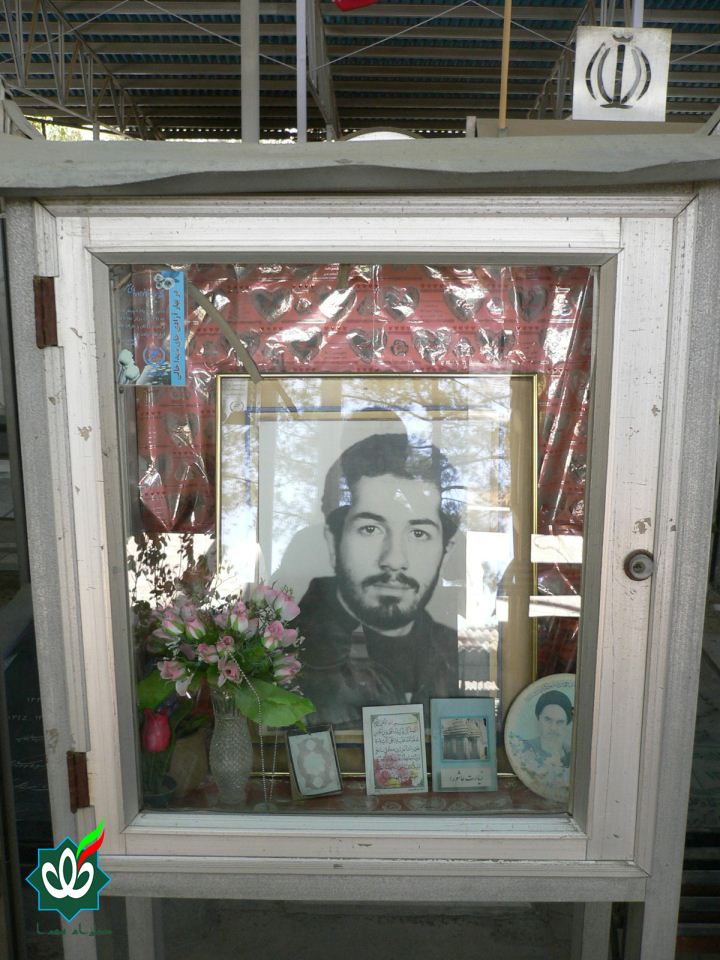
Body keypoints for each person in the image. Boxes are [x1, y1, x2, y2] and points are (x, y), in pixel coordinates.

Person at [297, 431, 464, 727]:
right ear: (333, 543)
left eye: (419, 533)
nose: (394, 560)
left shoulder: (460, 655)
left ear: (446, 551)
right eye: (370, 529)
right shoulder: (282, 658)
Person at [518, 690, 573, 770]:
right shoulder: (523, 750)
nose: (553, 728)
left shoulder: (572, 755)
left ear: (566, 724)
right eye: (548, 720)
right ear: (538, 718)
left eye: (560, 722)